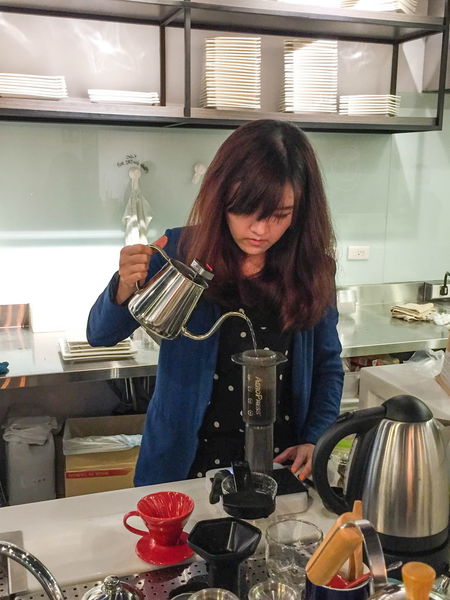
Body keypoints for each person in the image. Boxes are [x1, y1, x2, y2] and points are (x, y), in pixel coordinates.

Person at [87, 119, 344, 486]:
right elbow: (100, 334)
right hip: (184, 464)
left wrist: (317, 437)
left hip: (278, 463)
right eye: (245, 210)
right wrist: (124, 284)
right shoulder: (179, 250)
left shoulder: (313, 268)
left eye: (279, 215)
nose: (260, 230)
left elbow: (327, 365)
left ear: (301, 210)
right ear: (221, 197)